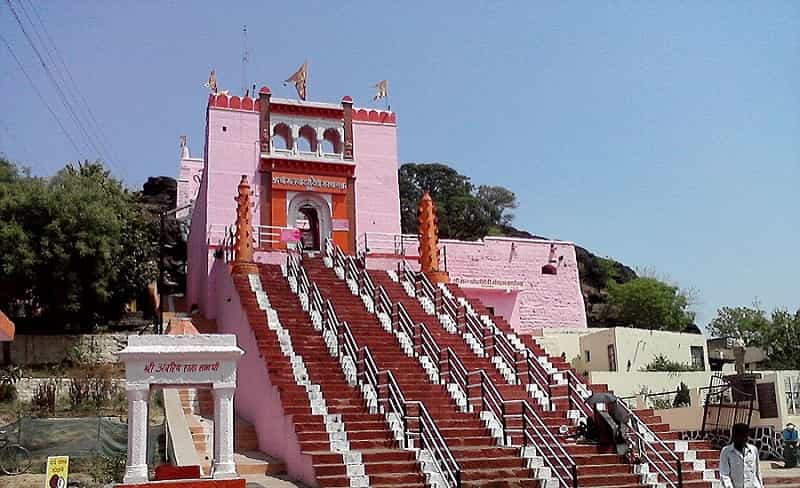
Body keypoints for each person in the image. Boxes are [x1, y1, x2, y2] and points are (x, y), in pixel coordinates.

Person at [719, 423, 763, 488]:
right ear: (734, 436)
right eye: (741, 437)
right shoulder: (726, 451)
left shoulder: (753, 450)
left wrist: (760, 486)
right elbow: (724, 474)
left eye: (746, 437)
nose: (744, 440)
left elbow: (757, 472)